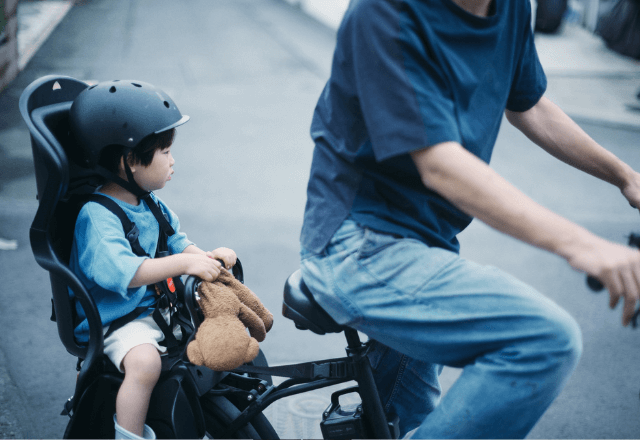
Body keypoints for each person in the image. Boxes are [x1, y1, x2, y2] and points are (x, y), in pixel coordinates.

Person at [299, 0, 640, 438]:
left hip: (428, 244)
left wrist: (625, 177)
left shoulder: (512, 8)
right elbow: (439, 164)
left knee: (408, 421)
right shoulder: (384, 12)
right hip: (356, 244)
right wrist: (584, 245)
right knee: (542, 341)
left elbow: (529, 105)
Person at [67, 80, 236, 439]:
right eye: (164, 152)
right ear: (130, 161)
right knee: (144, 365)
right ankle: (129, 434)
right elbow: (126, 273)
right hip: (117, 319)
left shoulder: (148, 201)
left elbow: (176, 241)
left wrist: (205, 257)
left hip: (157, 308)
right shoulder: (97, 217)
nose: (172, 160)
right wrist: (184, 265)